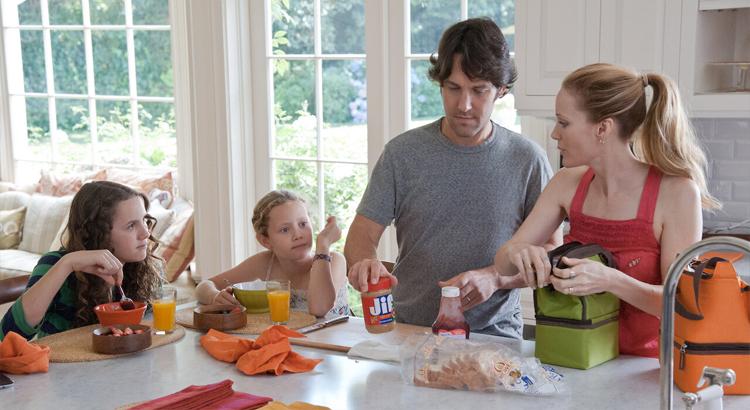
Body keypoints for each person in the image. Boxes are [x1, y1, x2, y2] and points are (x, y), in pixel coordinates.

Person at [344, 18, 557, 339]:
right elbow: (361, 234)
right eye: (453, 88)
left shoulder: (528, 160)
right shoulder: (402, 154)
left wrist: (495, 278)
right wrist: (365, 263)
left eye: (479, 90)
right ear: (440, 84)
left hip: (494, 335)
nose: (464, 105)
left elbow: (550, 256)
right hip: (410, 330)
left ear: (501, 90)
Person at [494, 63, 721, 357]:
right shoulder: (565, 184)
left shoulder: (677, 193)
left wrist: (610, 280)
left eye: (563, 123)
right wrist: (518, 252)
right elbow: (503, 264)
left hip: (645, 369)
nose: (554, 134)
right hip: (573, 360)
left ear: (603, 128)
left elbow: (682, 302)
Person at [0, 181, 162, 340]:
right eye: (131, 226)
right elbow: (8, 334)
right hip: (62, 358)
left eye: (144, 220)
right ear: (98, 232)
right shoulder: (55, 264)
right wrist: (67, 264)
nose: (146, 233)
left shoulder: (142, 269)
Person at [195, 190, 348, 318]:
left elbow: (319, 309)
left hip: (332, 343)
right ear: (265, 241)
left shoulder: (334, 260)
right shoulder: (265, 263)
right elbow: (204, 286)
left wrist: (323, 244)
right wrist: (214, 296)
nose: (298, 235)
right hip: (289, 341)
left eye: (303, 224)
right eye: (285, 229)